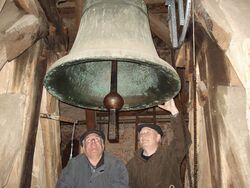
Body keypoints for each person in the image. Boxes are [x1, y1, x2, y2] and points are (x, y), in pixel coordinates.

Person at [126, 99, 191, 188]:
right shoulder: (132, 164)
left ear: (158, 138)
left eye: (148, 132)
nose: (143, 136)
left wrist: (174, 112)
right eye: (141, 133)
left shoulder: (169, 155)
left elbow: (183, 140)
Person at [56, 129, 129, 188]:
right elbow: (63, 185)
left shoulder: (116, 166)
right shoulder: (74, 165)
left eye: (97, 139)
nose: (93, 142)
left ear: (103, 145)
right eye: (88, 140)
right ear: (83, 148)